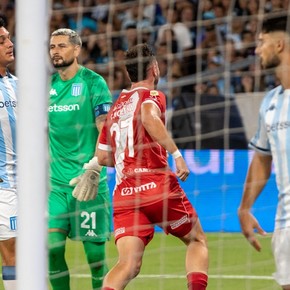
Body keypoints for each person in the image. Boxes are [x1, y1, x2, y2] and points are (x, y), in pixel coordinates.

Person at [97, 43, 209, 290]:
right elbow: (148, 117)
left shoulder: (115, 108)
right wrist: (176, 154)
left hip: (125, 194)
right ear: (155, 69)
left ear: (128, 74)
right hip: (156, 186)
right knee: (196, 240)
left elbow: (103, 157)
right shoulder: (152, 95)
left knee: (127, 265)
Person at [48, 28, 112, 290]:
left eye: (61, 46)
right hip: (56, 185)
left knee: (95, 258)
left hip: (89, 182)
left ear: (77, 50)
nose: (55, 51)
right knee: (50, 249)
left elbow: (105, 127)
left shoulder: (93, 82)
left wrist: (95, 166)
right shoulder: (47, 87)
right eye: (52, 47)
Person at [238, 15, 290, 290]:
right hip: (285, 222)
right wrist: (245, 208)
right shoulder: (270, 102)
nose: (257, 50)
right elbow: (262, 159)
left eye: (261, 43)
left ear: (279, 44)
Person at [0, 17, 17, 290]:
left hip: (27, 184)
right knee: (13, 253)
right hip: (4, 187)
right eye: (2, 41)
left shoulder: (19, 83)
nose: (10, 44)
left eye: (9, 37)